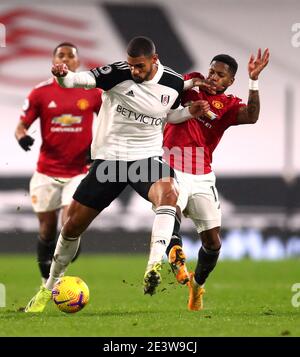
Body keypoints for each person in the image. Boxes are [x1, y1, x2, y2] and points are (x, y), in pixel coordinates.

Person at [24, 36, 210, 312]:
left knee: (168, 194)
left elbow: (168, 115)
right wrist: (64, 77)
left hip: (145, 158)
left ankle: (153, 267)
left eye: (140, 67)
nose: (134, 71)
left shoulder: (172, 82)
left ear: (154, 61)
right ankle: (49, 286)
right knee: (72, 226)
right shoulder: (117, 73)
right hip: (110, 161)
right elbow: (80, 80)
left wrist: (188, 112)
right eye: (132, 65)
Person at [163, 48, 270, 310]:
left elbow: (252, 116)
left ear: (230, 81)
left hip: (202, 175)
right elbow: (167, 87)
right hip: (170, 165)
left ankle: (197, 286)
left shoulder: (230, 105)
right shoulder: (192, 83)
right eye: (212, 71)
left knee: (213, 243)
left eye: (220, 75)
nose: (213, 77)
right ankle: (177, 261)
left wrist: (254, 81)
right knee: (167, 213)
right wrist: (191, 82)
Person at [15, 43, 102, 286]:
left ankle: (57, 277)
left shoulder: (91, 92)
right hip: (46, 173)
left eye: (70, 56)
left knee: (69, 225)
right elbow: (21, 125)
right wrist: (22, 137)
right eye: (60, 55)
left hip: (77, 172)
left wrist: (97, 149)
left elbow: (109, 122)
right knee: (46, 230)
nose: (65, 59)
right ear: (53, 61)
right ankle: (46, 281)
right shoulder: (40, 93)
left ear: (77, 62)